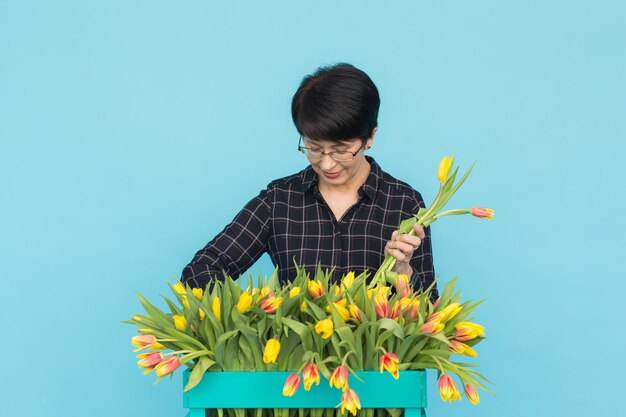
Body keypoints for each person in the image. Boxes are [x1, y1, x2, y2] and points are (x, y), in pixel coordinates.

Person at [181, 63, 436, 297]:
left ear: (370, 137)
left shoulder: (404, 202)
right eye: (313, 148)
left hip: (379, 349)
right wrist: (252, 321)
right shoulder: (279, 201)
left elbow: (429, 314)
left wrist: (403, 271)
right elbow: (199, 272)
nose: (326, 163)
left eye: (340, 150)